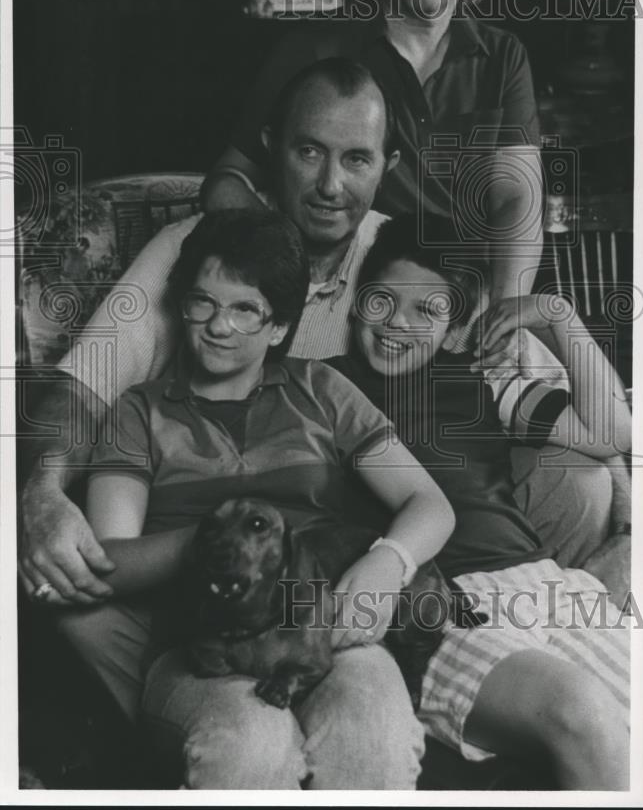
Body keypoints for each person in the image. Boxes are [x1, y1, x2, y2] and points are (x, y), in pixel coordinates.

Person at [18, 58, 624, 615]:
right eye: (309, 152)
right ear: (271, 148)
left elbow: (532, 383)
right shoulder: (200, 249)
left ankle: (518, 644)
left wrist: (625, 506)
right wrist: (43, 490)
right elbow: (84, 386)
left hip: (400, 537)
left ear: (387, 167)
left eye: (356, 159)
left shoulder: (402, 260)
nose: (331, 185)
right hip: (247, 527)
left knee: (584, 481)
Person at [56, 208, 454, 789]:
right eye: (202, 303)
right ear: (180, 305)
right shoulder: (140, 412)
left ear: (278, 326)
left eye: (245, 308)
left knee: (373, 732)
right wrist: (219, 542)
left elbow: (429, 502)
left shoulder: (319, 389)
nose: (220, 327)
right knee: (250, 742)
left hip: (320, 633)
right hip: (203, 647)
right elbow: (109, 563)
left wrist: (388, 561)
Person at [326, 213, 631, 790]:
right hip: (441, 605)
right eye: (381, 301)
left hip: (544, 585)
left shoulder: (480, 382)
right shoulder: (322, 387)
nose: (397, 323)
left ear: (453, 326)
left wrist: (559, 318)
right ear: (355, 301)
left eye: (428, 311)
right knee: (582, 714)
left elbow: (612, 434)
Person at [214, 0, 543, 304]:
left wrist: (505, 316)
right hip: (344, 300)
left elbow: (516, 200)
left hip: (461, 303)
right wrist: (286, 269)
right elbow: (227, 181)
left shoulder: (504, 57)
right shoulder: (312, 50)